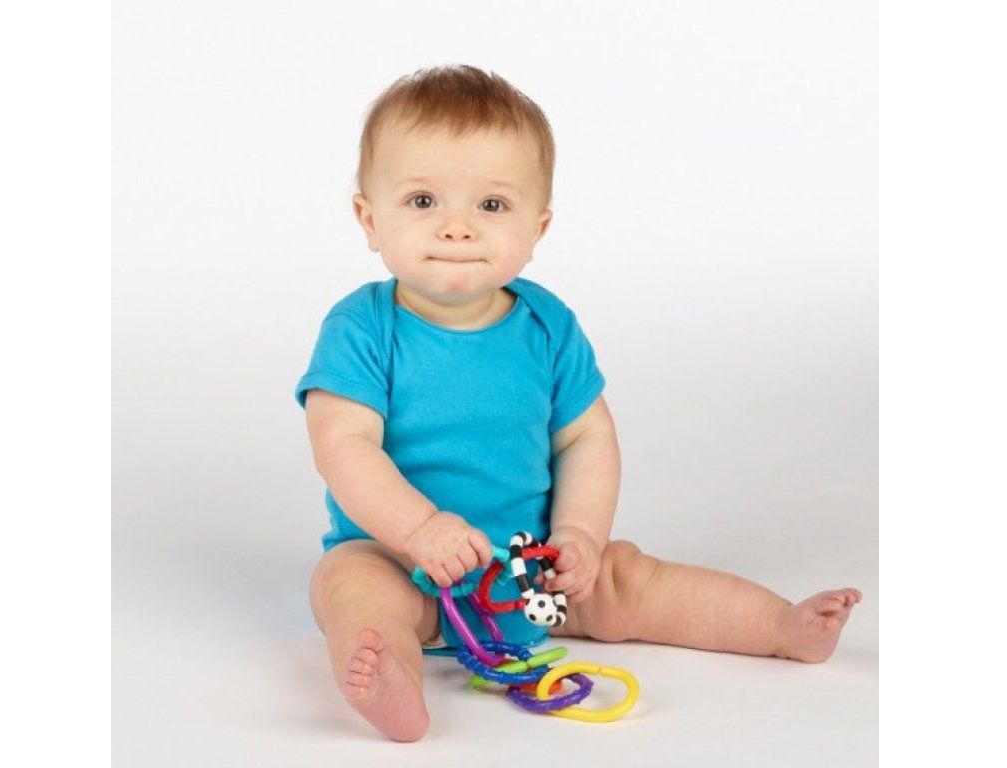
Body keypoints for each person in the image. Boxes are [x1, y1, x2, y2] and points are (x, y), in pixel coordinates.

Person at [295, 65, 861, 742]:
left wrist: (581, 538)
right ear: (369, 218)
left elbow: (586, 438)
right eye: (422, 201)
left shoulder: (547, 325)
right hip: (401, 560)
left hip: (531, 568)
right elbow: (343, 446)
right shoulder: (362, 328)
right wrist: (420, 532)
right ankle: (391, 678)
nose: (457, 228)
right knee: (350, 585)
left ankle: (779, 628)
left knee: (632, 580)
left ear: (537, 228)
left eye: (492, 206)